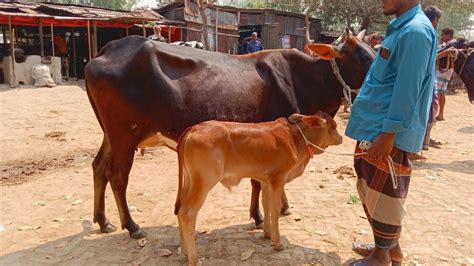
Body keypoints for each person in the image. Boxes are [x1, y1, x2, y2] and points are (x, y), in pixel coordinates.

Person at [345, 1, 438, 265]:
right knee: (370, 187)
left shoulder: (416, 32)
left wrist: (389, 135)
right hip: (373, 126)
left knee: (385, 193)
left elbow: (408, 90)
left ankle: (381, 256)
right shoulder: (402, 28)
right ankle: (389, 248)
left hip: (385, 132)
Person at [436, 27, 455, 121]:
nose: (441, 36)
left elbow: (439, 54)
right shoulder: (446, 44)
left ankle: (439, 114)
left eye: (443, 34)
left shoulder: (451, 44)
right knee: (440, 93)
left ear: (448, 35)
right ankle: (440, 114)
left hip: (443, 72)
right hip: (442, 71)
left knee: (438, 93)